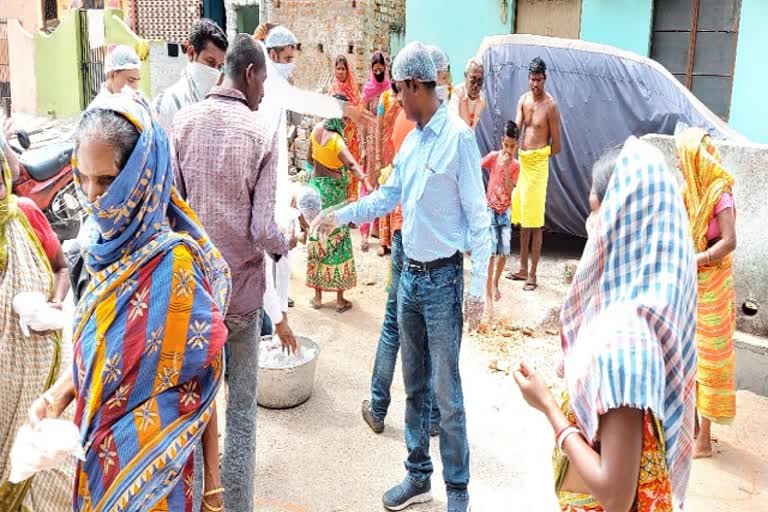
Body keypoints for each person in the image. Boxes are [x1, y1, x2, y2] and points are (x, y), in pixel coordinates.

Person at [27, 92, 230, 512]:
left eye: (106, 180)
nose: (93, 195)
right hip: (101, 466)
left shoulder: (173, 263)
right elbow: (102, 356)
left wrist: (214, 485)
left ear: (140, 176)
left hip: (163, 476)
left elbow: (202, 377)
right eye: (82, 178)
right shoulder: (100, 252)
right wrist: (56, 397)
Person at [313, 41, 490, 512]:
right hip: (408, 278)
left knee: (446, 394)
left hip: (443, 282)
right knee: (414, 386)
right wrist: (339, 214)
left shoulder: (459, 139)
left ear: (415, 85)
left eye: (399, 89)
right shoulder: (411, 142)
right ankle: (418, 476)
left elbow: (480, 219)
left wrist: (476, 290)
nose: (396, 100)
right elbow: (385, 197)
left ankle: (458, 492)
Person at [513, 137, 698, 512]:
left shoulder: (626, 340)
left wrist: (547, 405)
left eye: (597, 212)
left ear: (626, 222)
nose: (590, 225)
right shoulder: (641, 317)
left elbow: (614, 496)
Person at [173, 34, 297, 512]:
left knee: (199, 413)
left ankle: (204, 503)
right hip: (242, 303)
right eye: (264, 78)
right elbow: (264, 228)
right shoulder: (260, 131)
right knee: (242, 413)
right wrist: (288, 243)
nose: (265, 90)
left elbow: (172, 218)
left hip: (194, 299)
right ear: (248, 74)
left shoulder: (181, 125)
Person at [0, 144, 71, 511]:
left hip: (39, 385)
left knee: (43, 478)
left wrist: (54, 305)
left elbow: (61, 267)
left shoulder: (26, 215)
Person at [675, 127, 737, 459]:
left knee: (709, 359)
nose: (679, 164)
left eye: (681, 158)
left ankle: (705, 437)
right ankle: (694, 430)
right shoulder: (689, 191)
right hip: (692, 282)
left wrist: (698, 259)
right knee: (689, 357)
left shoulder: (718, 191)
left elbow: (729, 241)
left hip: (714, 284)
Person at [306, 99, 368, 312]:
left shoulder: (315, 130)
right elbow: (350, 163)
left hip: (316, 189)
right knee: (337, 240)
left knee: (317, 238)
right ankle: (340, 300)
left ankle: (317, 297)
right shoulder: (336, 139)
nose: (345, 120)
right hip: (333, 195)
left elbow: (309, 160)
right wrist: (364, 178)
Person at [508, 57, 561, 291]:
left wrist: (540, 155)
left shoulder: (550, 106)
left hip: (539, 165)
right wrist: (507, 150)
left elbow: (557, 146)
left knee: (535, 221)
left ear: (545, 78)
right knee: (522, 218)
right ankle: (521, 268)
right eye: (531, 79)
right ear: (528, 78)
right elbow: (517, 130)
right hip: (523, 163)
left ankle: (533, 274)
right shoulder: (523, 101)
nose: (535, 84)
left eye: (538, 79)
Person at [152, 18, 228, 139]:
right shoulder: (168, 103)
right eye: (210, 62)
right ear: (191, 53)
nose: (215, 72)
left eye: (219, 66)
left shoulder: (220, 105)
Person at [481, 120, 519, 317]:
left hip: (505, 211)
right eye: (506, 145)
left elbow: (511, 188)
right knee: (491, 252)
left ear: (517, 145)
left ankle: (495, 282)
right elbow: (479, 164)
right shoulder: (494, 157)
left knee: (503, 253)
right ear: (501, 141)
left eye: (512, 146)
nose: (508, 149)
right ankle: (488, 296)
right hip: (490, 209)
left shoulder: (515, 166)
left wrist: (505, 169)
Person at [357, 51, 391, 252]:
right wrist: (362, 147)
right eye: (375, 69)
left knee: (383, 187)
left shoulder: (388, 89)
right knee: (367, 188)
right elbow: (361, 120)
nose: (378, 72)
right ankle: (363, 232)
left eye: (381, 69)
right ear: (371, 70)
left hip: (385, 144)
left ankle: (380, 232)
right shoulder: (368, 90)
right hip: (370, 145)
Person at [330, 54, 364, 203]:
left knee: (351, 171)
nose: (340, 72)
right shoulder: (332, 89)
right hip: (337, 136)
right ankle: (339, 206)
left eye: (343, 69)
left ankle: (351, 208)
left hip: (352, 138)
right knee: (338, 171)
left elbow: (359, 109)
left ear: (347, 70)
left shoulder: (354, 89)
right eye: (338, 69)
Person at [450, 57, 485, 130]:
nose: (476, 85)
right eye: (473, 79)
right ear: (465, 76)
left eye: (479, 81)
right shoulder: (457, 93)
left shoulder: (482, 99)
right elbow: (453, 118)